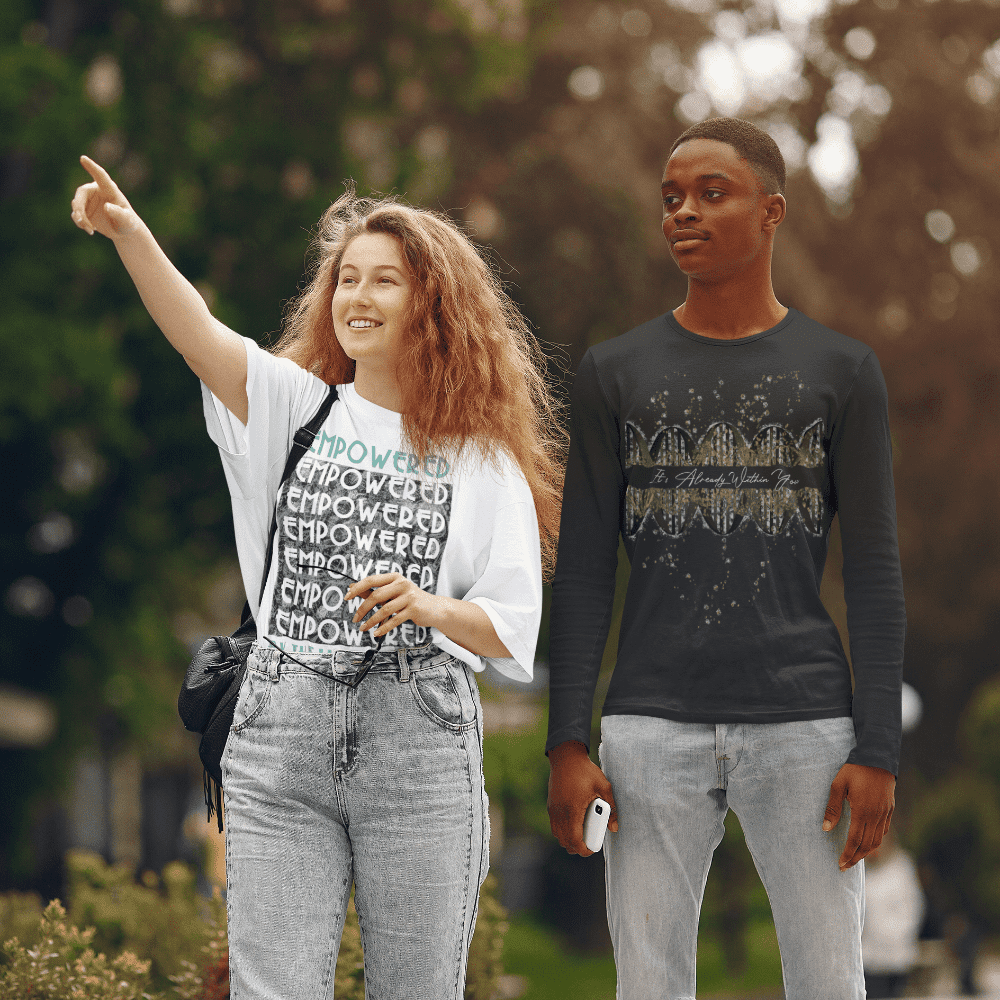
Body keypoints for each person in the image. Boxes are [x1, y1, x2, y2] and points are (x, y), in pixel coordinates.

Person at [70, 155, 564, 999]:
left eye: (386, 281)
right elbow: (199, 335)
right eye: (347, 279)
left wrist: (427, 606)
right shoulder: (299, 407)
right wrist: (131, 234)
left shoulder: (481, 463)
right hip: (282, 726)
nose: (357, 297)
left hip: (418, 737)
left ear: (434, 306)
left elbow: (511, 624)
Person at [545, 117, 905, 999]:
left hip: (806, 727)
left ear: (771, 211)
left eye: (712, 194)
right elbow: (585, 569)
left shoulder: (842, 371)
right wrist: (566, 740)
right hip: (649, 730)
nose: (684, 213)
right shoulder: (613, 372)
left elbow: (874, 570)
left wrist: (879, 746)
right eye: (672, 198)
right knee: (647, 986)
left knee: (830, 983)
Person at [862, 829, 925, 997]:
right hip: (868, 957)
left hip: (895, 956)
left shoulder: (902, 868)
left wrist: (890, 935)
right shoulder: (864, 871)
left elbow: (912, 909)